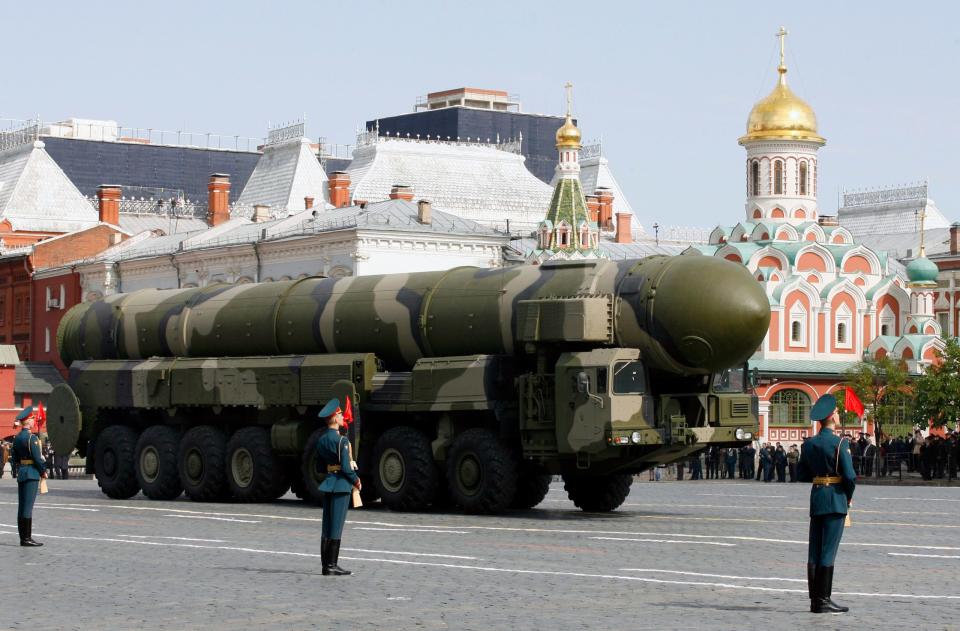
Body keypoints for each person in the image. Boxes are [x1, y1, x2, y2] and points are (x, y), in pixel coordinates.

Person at [797, 394, 856, 614]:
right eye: (838, 412)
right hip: (835, 497)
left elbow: (802, 474)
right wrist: (848, 496)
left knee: (814, 551)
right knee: (828, 552)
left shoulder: (810, 443)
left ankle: (815, 601)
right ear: (832, 417)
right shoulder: (840, 442)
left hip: (817, 496)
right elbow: (850, 476)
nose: (839, 415)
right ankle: (824, 600)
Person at [316, 398, 360, 576]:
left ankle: (326, 564)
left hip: (328, 483)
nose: (342, 417)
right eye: (340, 414)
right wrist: (356, 480)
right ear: (334, 418)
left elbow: (319, 467)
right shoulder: (342, 441)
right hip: (341, 485)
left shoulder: (321, 440)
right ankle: (331, 566)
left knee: (327, 525)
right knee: (336, 526)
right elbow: (347, 469)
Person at [12, 407, 46, 546]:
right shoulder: (32, 438)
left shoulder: (18, 437)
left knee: (22, 506)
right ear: (28, 421)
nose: (33, 421)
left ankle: (23, 538)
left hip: (22, 472)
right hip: (32, 473)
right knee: (28, 507)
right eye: (32, 419)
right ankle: (26, 539)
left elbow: (14, 458)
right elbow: (38, 459)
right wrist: (43, 471)